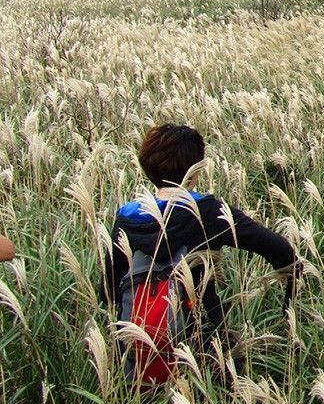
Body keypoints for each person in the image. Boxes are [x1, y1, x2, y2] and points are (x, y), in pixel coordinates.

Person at [100, 124, 300, 386]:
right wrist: (290, 287)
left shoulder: (127, 217)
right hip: (203, 345)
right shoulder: (207, 211)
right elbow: (280, 250)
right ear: (194, 173)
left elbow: (107, 290)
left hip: (137, 347)